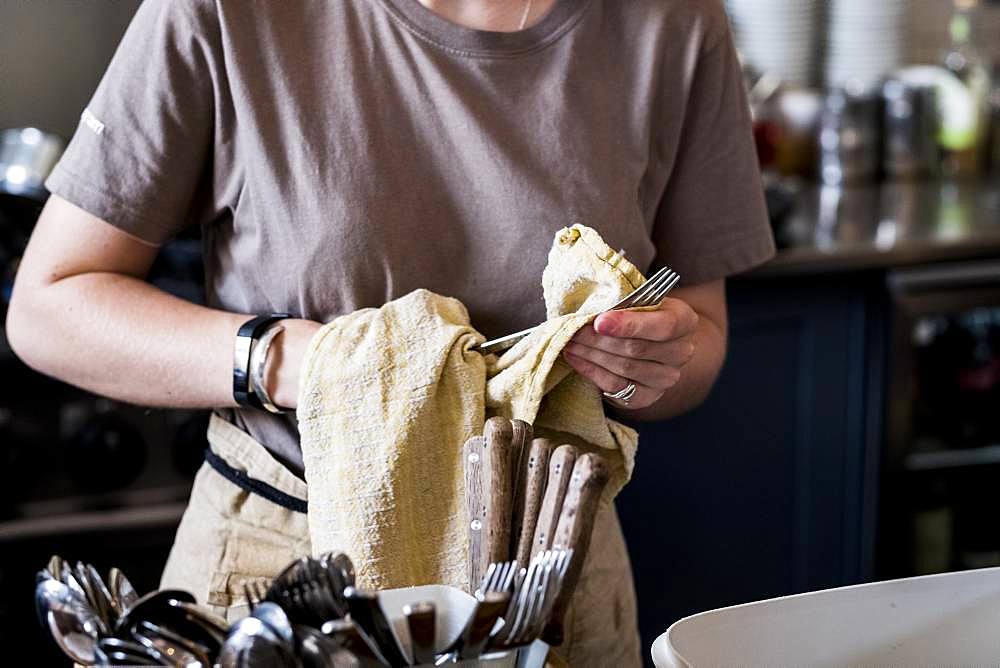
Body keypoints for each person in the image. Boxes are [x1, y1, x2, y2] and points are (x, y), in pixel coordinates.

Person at [6, 0, 775, 663]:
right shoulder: (225, 14)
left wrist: (653, 359)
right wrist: (301, 363)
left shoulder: (676, 23)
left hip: (550, 567)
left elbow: (699, 339)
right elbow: (50, 307)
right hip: (288, 580)